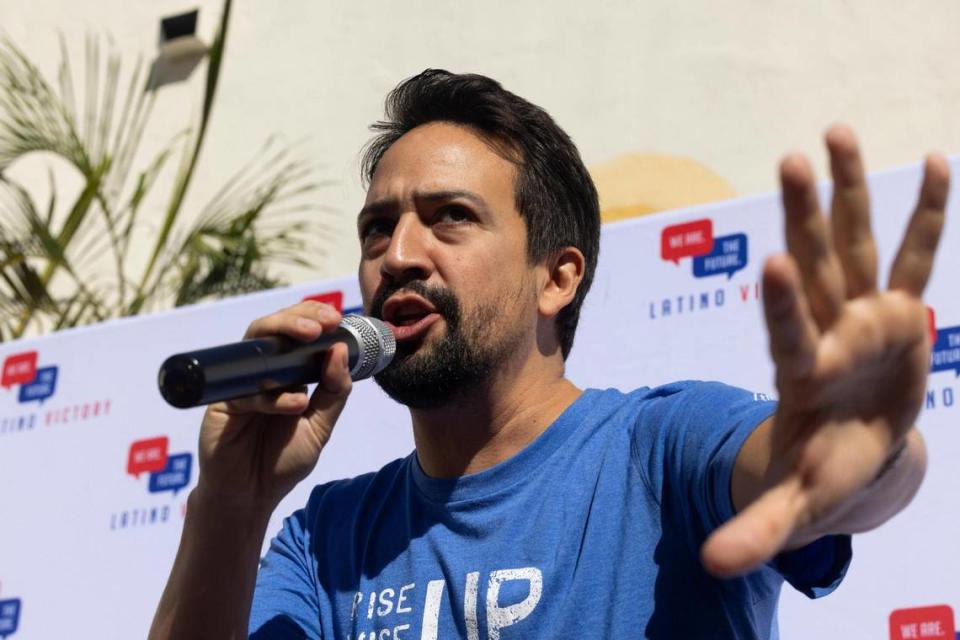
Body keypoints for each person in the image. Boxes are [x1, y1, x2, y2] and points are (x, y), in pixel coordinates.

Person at [148, 70, 949, 639]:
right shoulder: (327, 536)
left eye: (449, 217)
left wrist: (866, 446)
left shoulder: (661, 449)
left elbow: (829, 472)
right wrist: (233, 501)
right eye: (376, 229)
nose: (398, 254)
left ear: (557, 277)